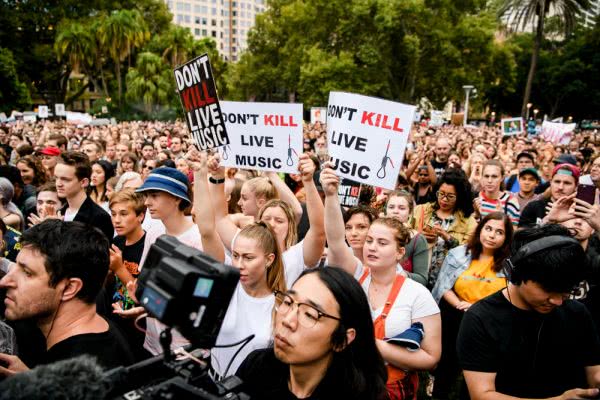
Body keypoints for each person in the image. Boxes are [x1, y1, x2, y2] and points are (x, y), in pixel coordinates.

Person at [321, 165, 441, 399]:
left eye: (382, 243)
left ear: (400, 252)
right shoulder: (356, 275)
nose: (372, 247)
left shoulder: (417, 295)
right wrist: (331, 195)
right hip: (350, 383)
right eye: (370, 241)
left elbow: (431, 358)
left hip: (393, 390)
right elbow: (336, 240)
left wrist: (372, 344)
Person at [457, 224, 600, 399]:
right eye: (548, 289)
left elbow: (594, 372)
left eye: (565, 291)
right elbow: (482, 394)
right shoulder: (480, 318)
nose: (557, 301)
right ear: (516, 273)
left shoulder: (577, 313)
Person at [187, 150, 288, 378]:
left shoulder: (282, 306)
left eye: (249, 258)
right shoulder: (226, 288)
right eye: (236, 255)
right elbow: (206, 228)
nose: (239, 264)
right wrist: (203, 176)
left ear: (269, 259)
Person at [0, 220, 135, 375]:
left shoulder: (85, 376)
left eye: (27, 272)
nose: (4, 281)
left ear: (70, 288)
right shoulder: (90, 332)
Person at [236, 268, 388, 400]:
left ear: (342, 340)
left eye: (309, 314)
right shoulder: (257, 367)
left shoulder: (365, 394)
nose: (288, 321)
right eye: (288, 302)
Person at [431, 212, 513, 397]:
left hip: (490, 321)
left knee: (479, 368)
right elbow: (443, 286)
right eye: (488, 229)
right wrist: (460, 303)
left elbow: (511, 296)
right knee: (447, 364)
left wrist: (477, 309)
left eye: (499, 232)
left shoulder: (510, 263)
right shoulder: (458, 254)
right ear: (480, 229)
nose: (492, 235)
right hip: (457, 314)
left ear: (507, 238)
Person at [135, 167, 199, 355]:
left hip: (183, 347)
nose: (147, 203)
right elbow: (147, 279)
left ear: (177, 198)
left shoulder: (198, 239)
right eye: (147, 196)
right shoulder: (153, 232)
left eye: (154, 196)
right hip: (152, 340)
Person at [412, 168, 477, 289]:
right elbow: (402, 234)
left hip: (448, 284)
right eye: (441, 194)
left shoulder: (468, 222)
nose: (444, 200)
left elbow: (469, 253)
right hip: (417, 277)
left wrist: (447, 237)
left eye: (450, 196)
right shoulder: (420, 210)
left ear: (460, 197)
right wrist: (418, 235)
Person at [54, 151, 114, 239]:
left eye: (65, 179)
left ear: (83, 182)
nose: (58, 184)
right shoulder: (59, 213)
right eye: (56, 178)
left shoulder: (100, 218)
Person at [385, 191, 429, 285]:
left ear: (410, 212)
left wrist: (399, 274)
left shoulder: (418, 240)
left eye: (401, 208)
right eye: (391, 207)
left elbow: (422, 279)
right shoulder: (376, 233)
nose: (395, 211)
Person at [520, 163, 580, 228]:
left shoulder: (580, 212)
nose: (560, 187)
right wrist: (547, 220)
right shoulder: (534, 207)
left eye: (567, 183)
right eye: (557, 181)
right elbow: (520, 236)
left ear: (576, 186)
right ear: (551, 182)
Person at [474, 160, 520, 226]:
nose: (489, 181)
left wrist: (500, 217)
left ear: (502, 178)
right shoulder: (477, 201)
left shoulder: (510, 202)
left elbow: (513, 233)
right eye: (486, 176)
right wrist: (477, 215)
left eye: (494, 176)